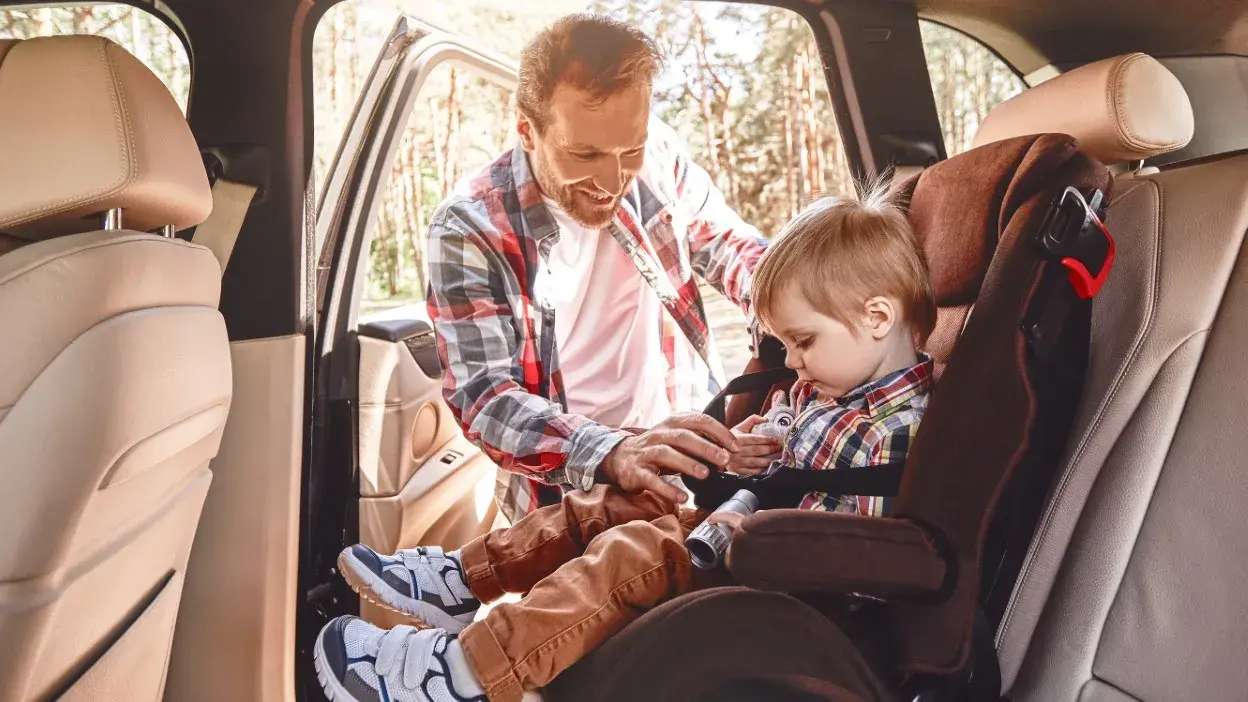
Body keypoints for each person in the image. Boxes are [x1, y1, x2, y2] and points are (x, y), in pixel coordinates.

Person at [313, 188, 939, 702]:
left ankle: (462, 674)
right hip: (738, 520)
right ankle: (462, 579)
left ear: (878, 318)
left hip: (780, 567)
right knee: (610, 504)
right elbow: (795, 442)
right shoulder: (836, 387)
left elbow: (841, 539)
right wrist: (754, 444)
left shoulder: (895, 427)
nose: (794, 363)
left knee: (629, 552)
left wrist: (754, 501)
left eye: (803, 342)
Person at [424, 13, 777, 523]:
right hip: (564, 492)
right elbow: (484, 397)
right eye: (583, 153)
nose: (612, 180)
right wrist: (613, 452)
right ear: (527, 129)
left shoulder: (658, 159)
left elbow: (731, 247)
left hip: (689, 458)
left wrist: (794, 307)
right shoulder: (468, 227)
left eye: (628, 149)